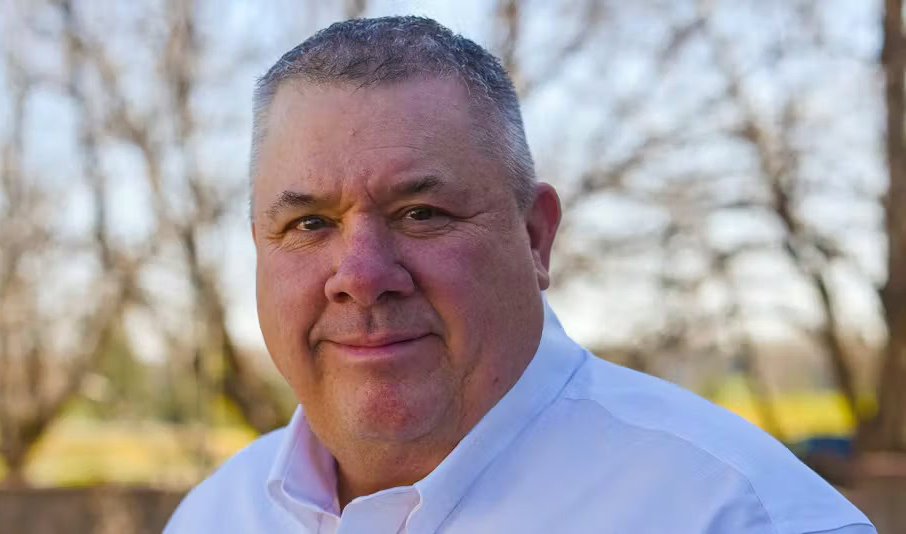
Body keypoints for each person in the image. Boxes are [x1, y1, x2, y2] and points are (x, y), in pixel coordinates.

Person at [164, 16, 876, 534]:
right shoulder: (215, 515)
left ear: (536, 238)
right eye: (309, 224)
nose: (361, 276)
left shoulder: (739, 516)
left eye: (420, 213)